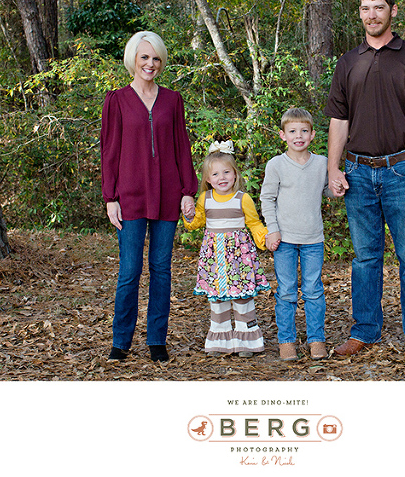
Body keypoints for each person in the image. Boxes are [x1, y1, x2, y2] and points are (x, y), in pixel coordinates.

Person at [324, 0, 405, 363]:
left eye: (378, 7)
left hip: (402, 170)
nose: (371, 15)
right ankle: (364, 330)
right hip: (358, 172)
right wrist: (332, 167)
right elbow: (338, 120)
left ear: (393, 10)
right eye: (364, 8)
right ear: (358, 13)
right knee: (364, 258)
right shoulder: (348, 61)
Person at [100, 30, 198, 362]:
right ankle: (121, 341)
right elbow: (109, 151)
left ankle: (157, 339)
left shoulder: (173, 99)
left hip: (168, 193)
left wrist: (188, 190)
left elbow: (182, 147)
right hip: (130, 195)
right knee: (129, 269)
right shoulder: (116, 100)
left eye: (155, 58)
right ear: (133, 60)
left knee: (161, 267)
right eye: (144, 57)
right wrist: (110, 196)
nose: (150, 63)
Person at [183, 141, 270, 357]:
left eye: (226, 172)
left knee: (242, 297)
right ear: (207, 179)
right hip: (214, 259)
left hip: (239, 259)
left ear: (235, 174)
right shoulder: (205, 199)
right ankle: (220, 341)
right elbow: (197, 223)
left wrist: (265, 239)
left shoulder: (243, 199)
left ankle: (246, 342)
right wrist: (189, 215)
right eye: (215, 174)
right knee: (218, 298)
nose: (221, 178)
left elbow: (254, 223)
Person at [260, 108, 332, 361]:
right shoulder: (276, 165)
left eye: (304, 131)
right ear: (283, 135)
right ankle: (286, 341)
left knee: (313, 289)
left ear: (312, 135)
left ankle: (316, 340)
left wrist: (340, 185)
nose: (298, 136)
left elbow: (328, 191)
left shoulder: (322, 163)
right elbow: (267, 198)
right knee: (287, 291)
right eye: (292, 131)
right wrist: (272, 229)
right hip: (285, 239)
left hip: (313, 238)